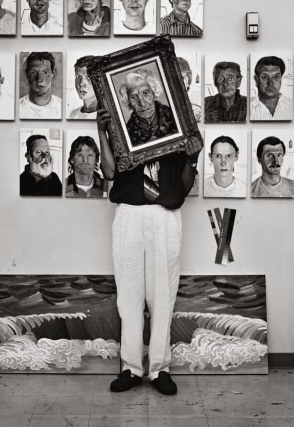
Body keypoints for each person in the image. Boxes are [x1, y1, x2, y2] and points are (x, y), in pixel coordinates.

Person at [96, 105, 203, 395]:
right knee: (128, 297)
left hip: (164, 214)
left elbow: (180, 190)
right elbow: (108, 172)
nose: (143, 106)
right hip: (129, 212)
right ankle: (130, 368)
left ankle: (160, 369)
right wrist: (102, 131)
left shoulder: (175, 136)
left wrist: (191, 160)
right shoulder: (123, 132)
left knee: (162, 296)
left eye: (148, 97)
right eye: (136, 97)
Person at [120, 69, 178, 146]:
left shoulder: (174, 116)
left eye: (145, 93)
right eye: (133, 97)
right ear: (128, 102)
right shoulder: (128, 131)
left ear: (154, 93)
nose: (142, 103)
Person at [19, 51, 62, 119]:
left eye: (45, 72)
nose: (39, 79)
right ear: (26, 73)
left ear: (53, 73)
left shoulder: (62, 107)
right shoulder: (17, 107)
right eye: (33, 72)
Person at [250, 56, 292, 121]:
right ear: (256, 80)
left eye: (276, 77)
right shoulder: (245, 108)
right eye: (265, 77)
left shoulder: (293, 106)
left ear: (281, 79)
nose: (270, 83)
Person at [68, 55, 98, 120]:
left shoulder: (107, 116)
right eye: (78, 77)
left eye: (88, 77)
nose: (81, 83)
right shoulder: (72, 115)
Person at [177, 57, 201, 121]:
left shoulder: (199, 111)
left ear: (188, 81)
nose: (178, 82)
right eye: (174, 78)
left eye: (182, 78)